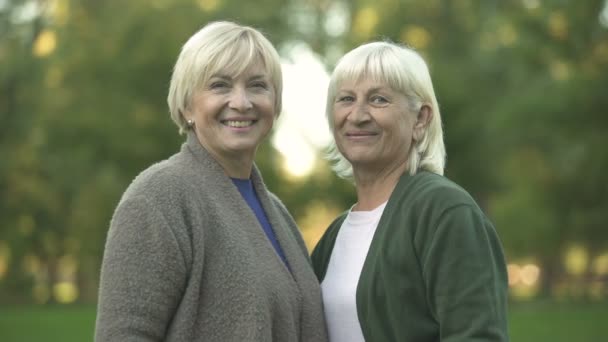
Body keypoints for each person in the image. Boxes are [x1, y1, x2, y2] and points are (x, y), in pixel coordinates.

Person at [95, 21, 328, 342]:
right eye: (220, 85)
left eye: (258, 85)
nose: (241, 102)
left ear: (274, 103)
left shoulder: (278, 214)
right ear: (188, 104)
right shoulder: (158, 198)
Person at [311, 41, 509, 342]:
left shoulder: (444, 211)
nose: (358, 115)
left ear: (421, 118)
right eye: (346, 99)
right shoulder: (336, 234)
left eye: (378, 100)